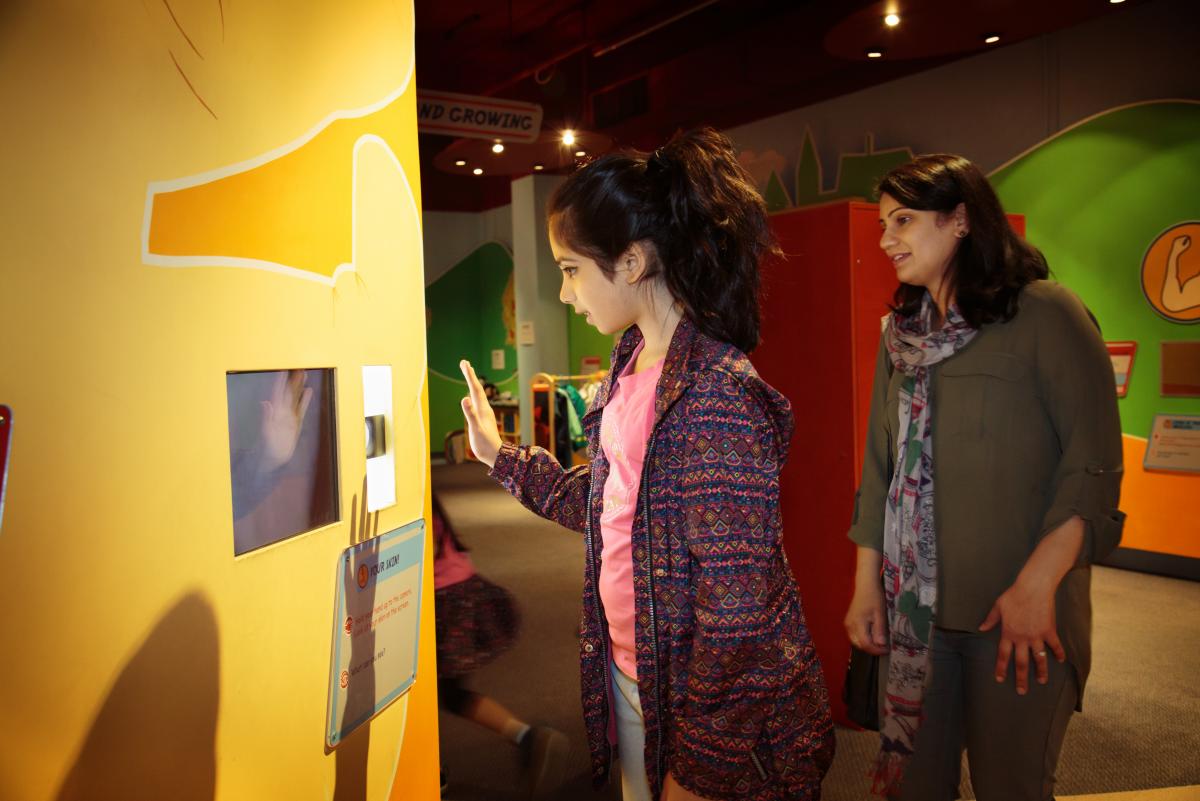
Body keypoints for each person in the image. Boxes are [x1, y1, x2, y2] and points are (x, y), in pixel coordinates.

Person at [458, 128, 834, 801]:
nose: (567, 294)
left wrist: (699, 768)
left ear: (631, 261)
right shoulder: (632, 370)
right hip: (637, 676)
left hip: (708, 713)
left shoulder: (716, 397)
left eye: (571, 269)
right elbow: (609, 509)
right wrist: (501, 456)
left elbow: (737, 613)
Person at [842, 154, 1125, 801]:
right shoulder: (899, 338)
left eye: (903, 220)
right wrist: (866, 586)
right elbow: (879, 470)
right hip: (917, 620)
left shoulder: (1049, 314)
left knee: (1012, 788)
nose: (886, 238)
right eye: (885, 222)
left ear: (962, 220)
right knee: (912, 790)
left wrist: (1036, 586)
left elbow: (1094, 467)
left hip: (1020, 615)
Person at [431, 492, 569, 801]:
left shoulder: (416, 505)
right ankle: (525, 736)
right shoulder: (427, 499)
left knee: (431, 692)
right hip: (457, 593)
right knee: (449, 693)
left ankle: (525, 737)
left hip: (442, 604)